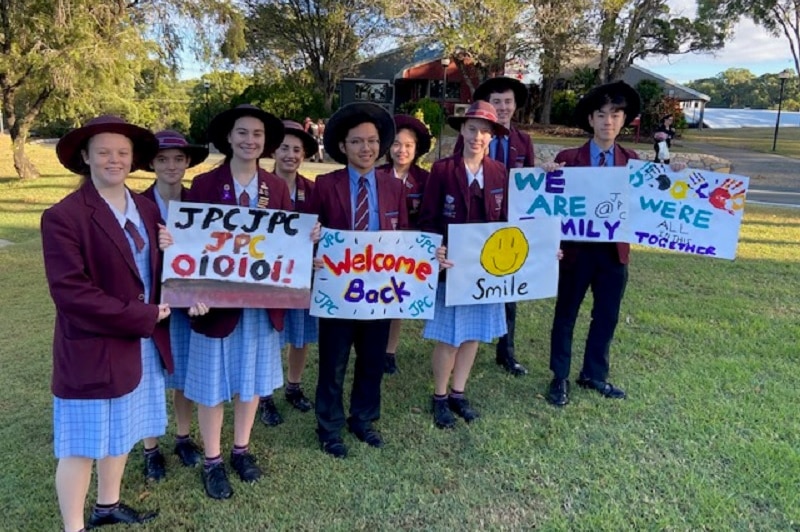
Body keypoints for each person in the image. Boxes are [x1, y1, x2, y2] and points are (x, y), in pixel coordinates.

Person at [42, 115, 172, 531]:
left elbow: (159, 274)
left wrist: (181, 276)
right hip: (94, 346)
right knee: (81, 444)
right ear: (86, 157)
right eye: (103, 152)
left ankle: (108, 505)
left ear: (133, 159)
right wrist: (143, 315)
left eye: (122, 152)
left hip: (141, 341)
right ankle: (73, 526)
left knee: (124, 429)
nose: (114, 160)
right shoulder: (64, 216)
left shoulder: (148, 207)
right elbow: (71, 294)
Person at [177, 105, 293, 500]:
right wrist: (191, 294)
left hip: (260, 304)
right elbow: (188, 246)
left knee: (251, 381)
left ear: (266, 142)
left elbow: (286, 244)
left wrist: (304, 242)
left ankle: (241, 449)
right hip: (215, 306)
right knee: (212, 384)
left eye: (257, 134)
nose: (250, 141)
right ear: (229, 138)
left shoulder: (276, 188)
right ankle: (212, 461)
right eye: (242, 133)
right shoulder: (206, 184)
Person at [308, 102, 408, 458]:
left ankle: (363, 419)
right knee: (333, 361)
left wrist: (424, 257)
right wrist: (312, 249)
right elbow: (309, 234)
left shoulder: (393, 186)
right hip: (337, 291)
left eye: (372, 141)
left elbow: (406, 236)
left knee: (371, 358)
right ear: (342, 147)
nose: (366, 148)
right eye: (357, 142)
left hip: (379, 292)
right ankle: (330, 426)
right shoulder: (324, 185)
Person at [543, 81, 641, 407]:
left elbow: (652, 199)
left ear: (624, 121)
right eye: (601, 115)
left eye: (615, 115)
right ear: (591, 120)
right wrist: (546, 175)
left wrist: (676, 173)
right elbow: (548, 200)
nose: (608, 122)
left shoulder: (633, 162)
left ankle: (594, 374)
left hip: (614, 254)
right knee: (566, 315)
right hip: (576, 251)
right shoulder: (568, 159)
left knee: (607, 315)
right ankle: (559, 377)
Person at [417, 101, 510, 429]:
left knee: (473, 335)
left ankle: (459, 392)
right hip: (452, 268)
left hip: (485, 272)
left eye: (485, 131)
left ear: (492, 137)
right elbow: (428, 217)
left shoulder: (500, 172)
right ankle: (440, 396)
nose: (478, 137)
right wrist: (435, 249)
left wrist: (539, 253)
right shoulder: (442, 170)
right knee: (450, 336)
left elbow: (510, 222)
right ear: (462, 130)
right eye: (472, 129)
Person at [138, 130, 209, 480]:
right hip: (151, 305)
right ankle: (151, 449)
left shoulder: (200, 203)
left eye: (178, 159)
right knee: (150, 376)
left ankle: (183, 437)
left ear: (187, 162)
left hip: (187, 304)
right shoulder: (137, 204)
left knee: (181, 373)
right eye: (163, 159)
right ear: (151, 163)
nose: (171, 165)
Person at [454, 76, 535, 377]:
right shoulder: (472, 135)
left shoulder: (524, 141)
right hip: (475, 226)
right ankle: (460, 344)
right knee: (468, 287)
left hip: (510, 225)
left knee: (508, 290)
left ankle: (507, 351)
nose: (502, 107)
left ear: (515, 106)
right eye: (496, 102)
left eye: (508, 102)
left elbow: (532, 182)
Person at [257, 120, 319, 427]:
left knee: (301, 334)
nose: (290, 154)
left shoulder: (312, 189)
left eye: (297, 149)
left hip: (303, 276)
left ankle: (294, 386)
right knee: (271, 335)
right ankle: (264, 396)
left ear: (305, 155)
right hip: (267, 276)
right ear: (273, 151)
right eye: (284, 148)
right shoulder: (261, 186)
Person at [376, 114, 432, 375]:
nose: (402, 150)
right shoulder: (377, 175)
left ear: (417, 149)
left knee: (395, 299)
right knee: (374, 298)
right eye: (397, 144)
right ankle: (371, 348)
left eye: (409, 145)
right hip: (376, 249)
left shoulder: (425, 179)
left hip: (408, 252)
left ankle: (389, 351)